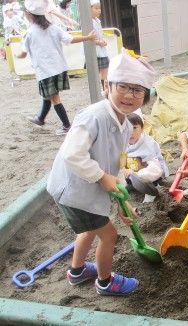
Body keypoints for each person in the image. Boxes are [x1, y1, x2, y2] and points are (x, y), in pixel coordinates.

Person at [46, 48, 156, 295]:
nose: (129, 95)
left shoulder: (126, 125)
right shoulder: (94, 116)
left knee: (90, 229)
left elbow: (116, 165)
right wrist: (101, 177)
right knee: (109, 235)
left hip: (86, 192)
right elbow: (72, 154)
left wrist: (120, 201)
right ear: (108, 85)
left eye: (137, 90)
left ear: (145, 96)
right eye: (123, 87)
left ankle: (77, 271)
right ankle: (105, 282)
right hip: (74, 192)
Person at [16, 0, 95, 136]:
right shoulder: (53, 28)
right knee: (48, 95)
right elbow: (70, 39)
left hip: (45, 72)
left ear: (29, 15)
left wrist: (16, 55)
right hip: (59, 68)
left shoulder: (30, 33)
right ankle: (40, 118)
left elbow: (23, 54)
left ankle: (67, 126)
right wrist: (87, 38)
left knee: (54, 98)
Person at [122, 112, 169, 203]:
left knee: (151, 171)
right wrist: (123, 168)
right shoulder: (123, 141)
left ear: (142, 129)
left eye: (134, 128)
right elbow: (121, 155)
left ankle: (150, 191)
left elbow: (154, 166)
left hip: (148, 170)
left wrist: (136, 173)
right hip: (131, 170)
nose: (131, 132)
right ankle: (131, 183)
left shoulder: (148, 143)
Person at [90, 0, 109, 90]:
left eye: (100, 8)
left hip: (101, 50)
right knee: (96, 73)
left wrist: (102, 41)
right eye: (96, 8)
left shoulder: (97, 20)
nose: (99, 10)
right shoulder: (88, 22)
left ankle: (105, 91)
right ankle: (100, 91)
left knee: (105, 73)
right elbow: (88, 38)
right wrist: (100, 42)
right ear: (89, 9)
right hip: (95, 51)